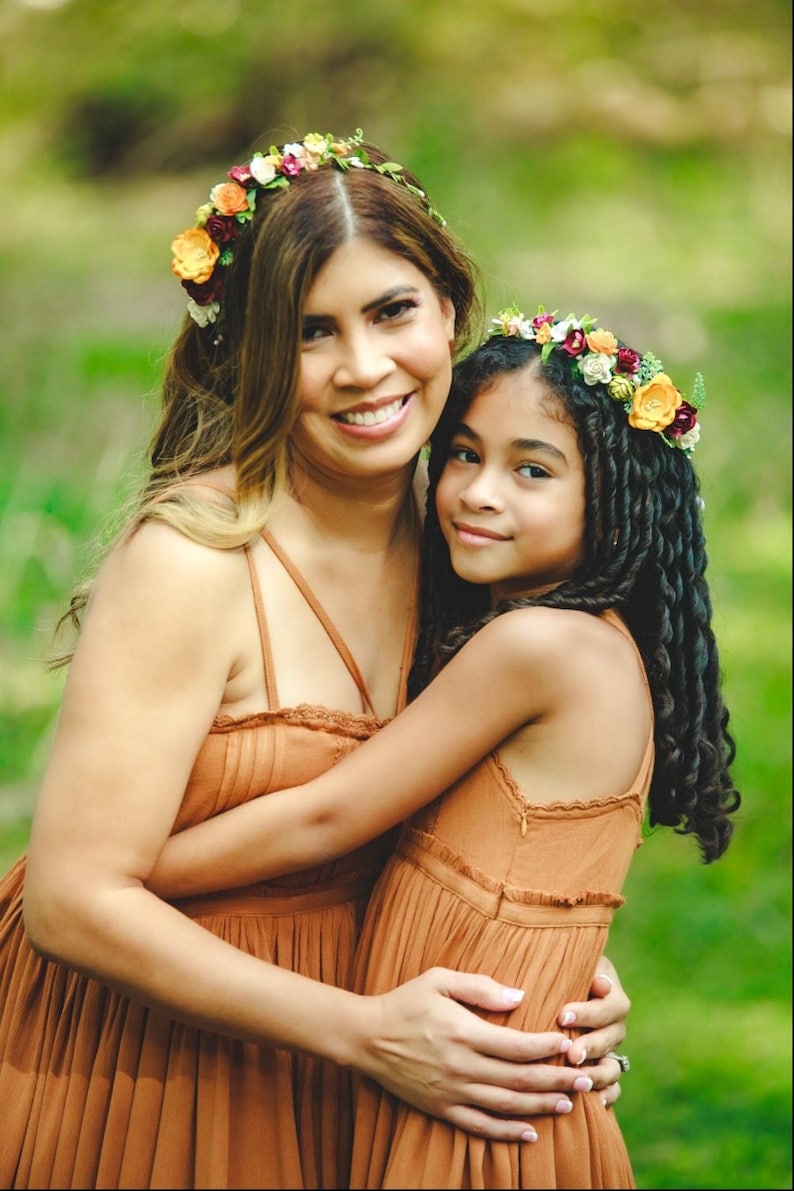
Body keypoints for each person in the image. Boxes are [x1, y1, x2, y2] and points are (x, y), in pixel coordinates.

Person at [0, 132, 631, 1191]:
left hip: (378, 1039)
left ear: (448, 312)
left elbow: (442, 828)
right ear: (248, 352)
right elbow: (70, 901)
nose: (363, 368)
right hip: (157, 1059)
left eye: (391, 312)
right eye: (310, 332)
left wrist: (549, 970)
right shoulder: (196, 560)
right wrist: (362, 1032)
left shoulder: (471, 550)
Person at [146, 303, 741, 1189]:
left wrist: (134, 878)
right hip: (468, 1058)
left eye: (530, 468)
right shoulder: (567, 638)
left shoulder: (538, 646)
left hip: (474, 1089)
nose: (478, 491)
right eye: (463, 452)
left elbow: (331, 811)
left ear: (615, 498)